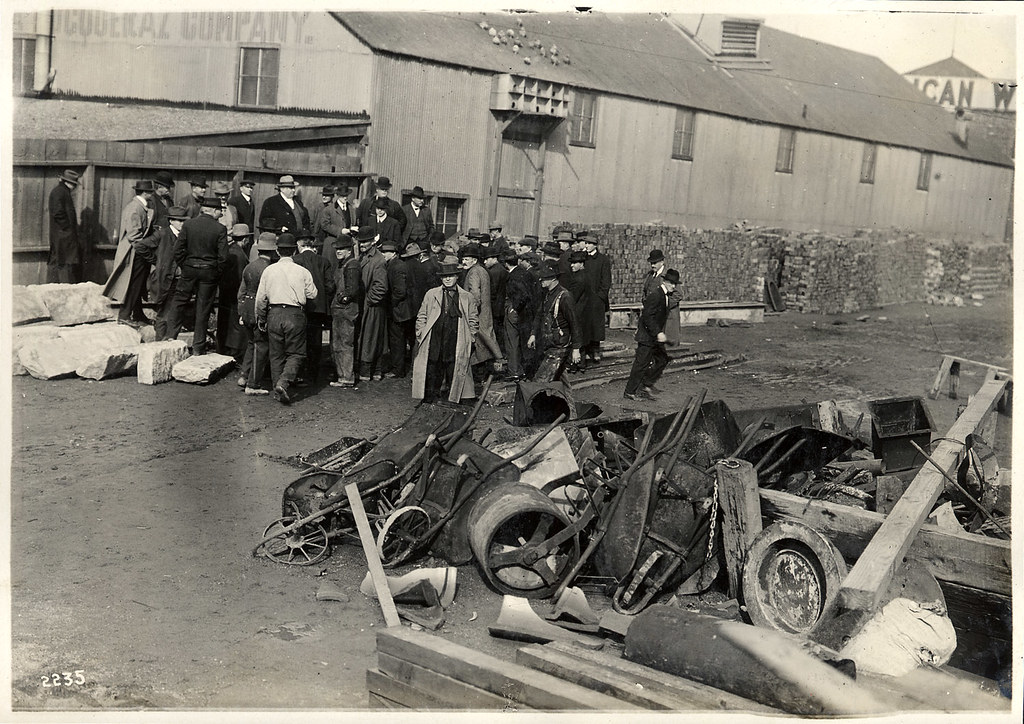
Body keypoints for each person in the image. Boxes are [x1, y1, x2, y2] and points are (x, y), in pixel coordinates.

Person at [254, 234, 317, 404]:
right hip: (295, 314)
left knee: (276, 354)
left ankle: (277, 388)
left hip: (273, 313)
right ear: (295, 250)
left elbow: (261, 299)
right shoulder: (302, 271)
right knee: (296, 353)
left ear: (277, 250)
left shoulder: (269, 270)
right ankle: (284, 382)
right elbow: (313, 293)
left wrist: (261, 317)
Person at [165, 196, 228, 355]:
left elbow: (177, 250)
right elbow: (223, 258)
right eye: (220, 210)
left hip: (189, 269)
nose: (220, 214)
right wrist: (216, 272)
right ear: (213, 210)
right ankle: (198, 348)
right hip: (209, 272)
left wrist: (185, 266)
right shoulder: (219, 229)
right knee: (203, 307)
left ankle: (170, 338)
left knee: (179, 301)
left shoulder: (188, 224)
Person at [412, 261, 479, 404]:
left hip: (455, 336)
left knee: (453, 367)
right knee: (432, 367)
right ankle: (429, 399)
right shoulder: (432, 294)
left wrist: (471, 337)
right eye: (444, 276)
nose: (448, 279)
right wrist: (421, 333)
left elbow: (473, 319)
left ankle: (453, 399)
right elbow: (422, 315)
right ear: (441, 279)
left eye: (451, 276)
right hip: (435, 336)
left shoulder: (466, 296)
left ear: (457, 277)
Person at [104, 179, 158, 328]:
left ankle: (138, 314)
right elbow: (134, 235)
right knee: (133, 284)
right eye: (151, 192)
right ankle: (124, 315)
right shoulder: (135, 208)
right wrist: (146, 248)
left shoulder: (142, 207)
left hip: (139, 251)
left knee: (139, 285)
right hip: (135, 252)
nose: (152, 194)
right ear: (145, 193)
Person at [624, 268, 679, 401]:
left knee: (662, 359)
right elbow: (647, 317)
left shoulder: (665, 295)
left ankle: (646, 385)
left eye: (675, 284)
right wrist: (658, 332)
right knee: (641, 363)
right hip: (647, 336)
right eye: (671, 283)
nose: (674, 286)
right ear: (665, 282)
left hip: (653, 337)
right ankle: (629, 391)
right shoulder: (656, 295)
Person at [238, 232, 278, 395]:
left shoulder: (249, 266)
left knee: (251, 342)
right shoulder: (269, 269)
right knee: (262, 345)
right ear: (273, 251)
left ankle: (244, 375)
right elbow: (267, 295)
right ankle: (253, 384)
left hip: (246, 307)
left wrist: (241, 311)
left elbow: (241, 292)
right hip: (259, 308)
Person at [293, 233, 336, 384]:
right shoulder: (324, 261)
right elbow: (330, 286)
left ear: (300, 246)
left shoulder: (295, 260)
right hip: (318, 308)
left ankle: (299, 373)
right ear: (313, 247)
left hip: (300, 307)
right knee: (315, 341)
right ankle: (313, 374)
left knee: (299, 340)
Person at [459, 242, 502, 375]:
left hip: (477, 313)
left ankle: (486, 369)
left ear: (475, 260)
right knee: (485, 339)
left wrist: (470, 310)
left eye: (467, 259)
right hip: (485, 312)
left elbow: (475, 295)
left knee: (479, 341)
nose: (463, 261)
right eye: (463, 259)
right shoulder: (483, 270)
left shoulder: (473, 272)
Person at [535, 263, 582, 382]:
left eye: (543, 278)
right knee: (561, 378)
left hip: (560, 344)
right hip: (550, 342)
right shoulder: (547, 295)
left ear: (553, 279)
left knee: (542, 380)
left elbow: (575, 323)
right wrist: (532, 334)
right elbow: (540, 315)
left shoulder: (565, 297)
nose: (540, 280)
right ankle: (568, 401)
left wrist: (576, 349)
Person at [356, 227, 389, 382]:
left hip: (373, 307)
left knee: (370, 340)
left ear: (372, 242)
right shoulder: (363, 257)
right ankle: (372, 371)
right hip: (366, 304)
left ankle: (370, 371)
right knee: (369, 339)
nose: (362, 244)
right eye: (360, 241)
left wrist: (368, 300)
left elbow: (381, 287)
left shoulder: (378, 260)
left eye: (365, 241)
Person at [329, 235, 362, 388]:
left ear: (349, 250)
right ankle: (343, 376)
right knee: (340, 343)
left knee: (344, 343)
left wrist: (343, 298)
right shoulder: (345, 264)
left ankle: (346, 377)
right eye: (337, 249)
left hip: (345, 310)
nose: (338, 251)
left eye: (342, 249)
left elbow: (353, 289)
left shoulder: (352, 265)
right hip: (341, 309)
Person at [152, 205, 188, 341]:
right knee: (164, 313)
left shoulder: (182, 235)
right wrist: (157, 262)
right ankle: (160, 342)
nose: (182, 223)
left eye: (184, 221)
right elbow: (141, 247)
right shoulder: (163, 234)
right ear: (171, 221)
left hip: (179, 279)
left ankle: (170, 339)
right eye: (179, 221)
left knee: (176, 312)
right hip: (166, 279)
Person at [217, 223, 252, 364]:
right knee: (236, 325)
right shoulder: (240, 255)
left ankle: (224, 349)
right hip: (235, 293)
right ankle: (235, 352)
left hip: (226, 292)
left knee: (226, 322)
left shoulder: (231, 250)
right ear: (244, 239)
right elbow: (239, 277)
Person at [502, 249, 537, 382]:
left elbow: (523, 294)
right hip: (525, 312)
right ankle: (519, 369)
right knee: (518, 340)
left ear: (506, 263)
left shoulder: (513, 276)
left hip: (515, 309)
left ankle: (514, 370)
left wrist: (514, 308)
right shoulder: (524, 272)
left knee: (511, 341)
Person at [383, 242, 415, 378]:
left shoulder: (396, 267)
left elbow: (400, 291)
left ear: (394, 253)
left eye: (386, 252)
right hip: (402, 309)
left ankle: (398, 369)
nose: (383, 254)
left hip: (399, 310)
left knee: (397, 340)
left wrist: (389, 303)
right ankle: (399, 367)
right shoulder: (396, 264)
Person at [581, 234, 611, 363]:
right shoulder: (583, 258)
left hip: (596, 299)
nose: (586, 246)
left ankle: (596, 350)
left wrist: (600, 297)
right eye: (585, 243)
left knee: (596, 326)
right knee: (585, 325)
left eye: (588, 243)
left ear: (595, 245)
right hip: (584, 298)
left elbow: (606, 281)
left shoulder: (603, 260)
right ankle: (586, 350)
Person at [47, 169, 80, 284]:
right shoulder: (60, 192)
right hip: (63, 235)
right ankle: (63, 288)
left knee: (58, 262)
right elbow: (58, 213)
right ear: (67, 182)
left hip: (61, 235)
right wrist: (68, 229)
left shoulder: (61, 191)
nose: (74, 187)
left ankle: (52, 287)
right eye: (73, 184)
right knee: (64, 263)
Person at [563, 250, 593, 372]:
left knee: (575, 337)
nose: (572, 265)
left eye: (575, 263)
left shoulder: (578, 279)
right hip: (585, 311)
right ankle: (581, 364)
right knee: (582, 337)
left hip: (577, 312)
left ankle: (572, 365)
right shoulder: (587, 275)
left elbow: (572, 298)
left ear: (581, 263)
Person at [644, 248, 681, 346]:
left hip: (667, 316)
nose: (652, 265)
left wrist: (664, 305)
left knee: (667, 345)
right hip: (653, 315)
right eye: (651, 262)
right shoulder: (650, 275)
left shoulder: (668, 275)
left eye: (655, 262)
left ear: (662, 262)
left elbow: (678, 295)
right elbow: (646, 291)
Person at [317, 183, 355, 275]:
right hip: (332, 243)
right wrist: (340, 231)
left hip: (346, 243)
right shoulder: (329, 209)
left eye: (346, 195)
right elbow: (324, 224)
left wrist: (352, 229)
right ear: (337, 196)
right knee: (331, 269)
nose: (345, 198)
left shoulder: (351, 208)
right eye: (342, 196)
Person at [483, 245, 508, 353]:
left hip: (495, 307)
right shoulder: (501, 269)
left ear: (494, 259)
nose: (484, 262)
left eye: (486, 259)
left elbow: (492, 291)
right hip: (501, 306)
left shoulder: (494, 272)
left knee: (496, 332)